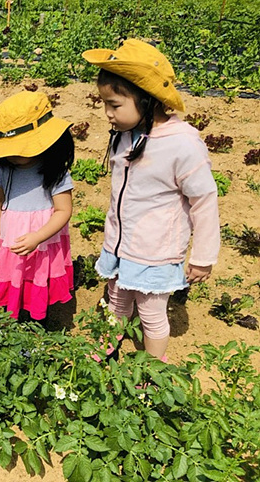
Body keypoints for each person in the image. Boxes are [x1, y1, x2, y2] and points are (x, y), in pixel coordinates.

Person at [82, 39, 220, 360]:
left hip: (156, 251)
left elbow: (204, 200)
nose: (107, 114)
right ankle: (104, 350)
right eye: (104, 104)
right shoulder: (127, 135)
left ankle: (153, 369)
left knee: (151, 314)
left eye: (114, 105)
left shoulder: (182, 144)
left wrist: (202, 256)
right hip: (121, 244)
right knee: (116, 300)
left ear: (146, 101)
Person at [0, 91, 75, 322]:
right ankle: (14, 318)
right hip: (13, 239)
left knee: (38, 278)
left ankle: (37, 320)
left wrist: (38, 237)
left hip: (42, 242)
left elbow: (64, 210)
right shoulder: (6, 170)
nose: (12, 155)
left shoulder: (55, 172)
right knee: (15, 275)